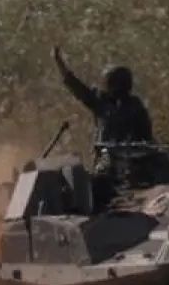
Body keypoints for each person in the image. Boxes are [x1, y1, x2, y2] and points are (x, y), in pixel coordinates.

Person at [52, 46, 162, 191]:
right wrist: (59, 63)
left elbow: (147, 138)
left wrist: (138, 151)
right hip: (106, 163)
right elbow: (76, 87)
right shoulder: (101, 103)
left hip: (134, 166)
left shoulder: (135, 107)